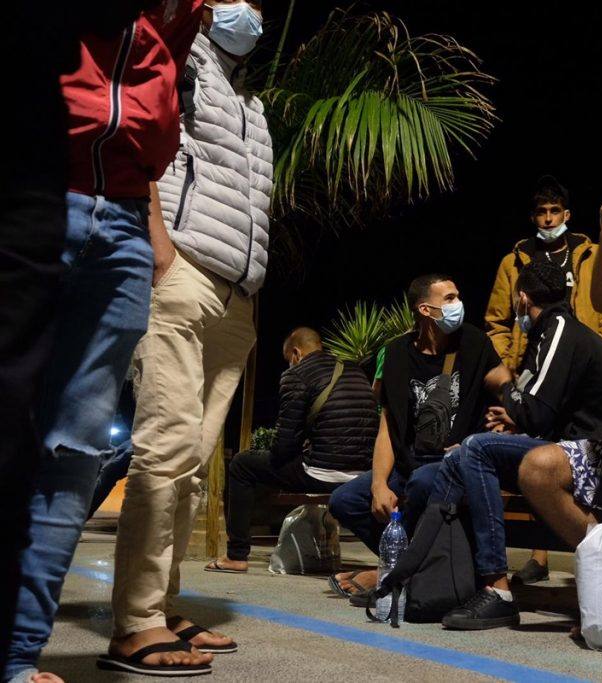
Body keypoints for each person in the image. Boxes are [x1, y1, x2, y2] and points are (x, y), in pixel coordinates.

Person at [4, 3, 209, 681]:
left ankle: (18, 656)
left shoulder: (185, 15)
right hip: (37, 189)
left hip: (120, 216)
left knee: (80, 448)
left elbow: (158, 92)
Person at [103, 2, 273, 675]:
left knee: (195, 463)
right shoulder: (180, 58)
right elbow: (140, 139)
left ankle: (165, 604)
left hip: (238, 295)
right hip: (184, 272)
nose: (250, 13)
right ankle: (136, 619)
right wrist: (160, 251)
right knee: (165, 444)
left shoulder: (251, 102)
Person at [429, 261, 602, 629]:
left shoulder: (557, 329)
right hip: (575, 444)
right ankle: (441, 575)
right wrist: (515, 416)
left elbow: (536, 414)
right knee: (461, 456)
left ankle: (497, 590)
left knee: (477, 448)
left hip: (599, 454)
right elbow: (544, 412)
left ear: (522, 299)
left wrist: (504, 387)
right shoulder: (554, 331)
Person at [485, 176, 602, 581]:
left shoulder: (590, 254)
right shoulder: (514, 261)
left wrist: (594, 354)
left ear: (567, 215)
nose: (548, 218)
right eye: (541, 212)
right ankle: (538, 555)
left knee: (547, 453)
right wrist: (510, 366)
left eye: (555, 211)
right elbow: (496, 321)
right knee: (536, 451)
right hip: (533, 371)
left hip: (581, 370)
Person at [328, 275, 512, 602]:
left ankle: (393, 571)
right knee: (345, 500)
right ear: (426, 309)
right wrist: (378, 485)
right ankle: (414, 566)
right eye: (451, 298)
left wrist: (507, 418)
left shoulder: (473, 342)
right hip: (408, 462)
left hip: (453, 463)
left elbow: (506, 386)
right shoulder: (395, 354)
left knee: (423, 484)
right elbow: (389, 424)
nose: (459, 305)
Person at [205, 328, 377, 574]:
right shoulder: (355, 371)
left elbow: (284, 447)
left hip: (323, 474)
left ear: (296, 354)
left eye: (289, 360)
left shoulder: (296, 375)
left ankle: (236, 555)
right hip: (363, 476)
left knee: (242, 465)